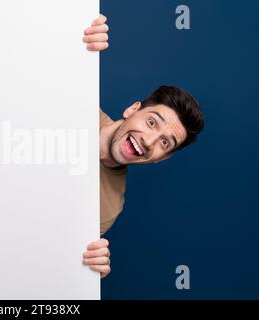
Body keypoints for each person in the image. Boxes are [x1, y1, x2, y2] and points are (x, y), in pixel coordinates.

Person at [80, 15, 204, 278]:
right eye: (151, 122)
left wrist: (84, 269)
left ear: (162, 158)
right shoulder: (70, 103)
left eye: (164, 142)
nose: (148, 141)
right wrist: (74, 35)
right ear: (132, 109)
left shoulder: (110, 206)